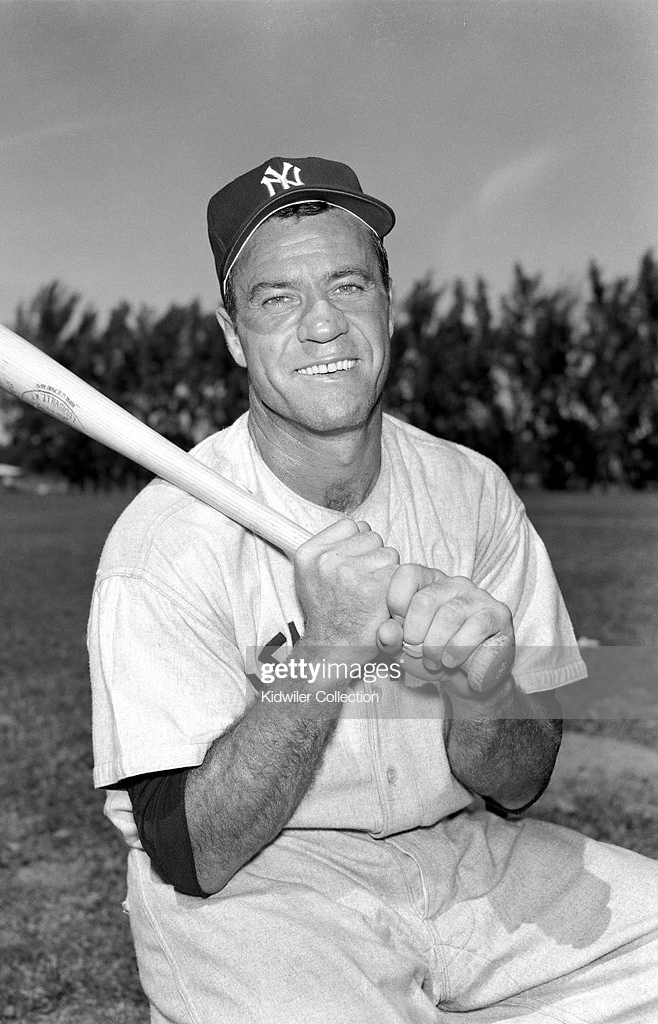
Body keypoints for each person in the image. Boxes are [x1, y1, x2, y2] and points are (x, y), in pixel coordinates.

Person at [88, 157, 658, 1023]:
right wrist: (327, 652)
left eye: (348, 285)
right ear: (234, 334)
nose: (322, 325)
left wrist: (483, 690)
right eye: (277, 298)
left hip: (464, 857)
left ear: (388, 308)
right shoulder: (162, 542)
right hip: (262, 891)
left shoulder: (471, 491)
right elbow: (190, 852)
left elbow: (518, 781)